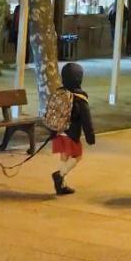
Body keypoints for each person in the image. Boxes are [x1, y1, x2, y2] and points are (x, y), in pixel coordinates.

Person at [51, 62, 95, 195]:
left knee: (64, 157)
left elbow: (53, 113)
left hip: (59, 132)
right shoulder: (80, 98)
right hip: (72, 133)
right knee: (77, 156)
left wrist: (52, 132)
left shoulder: (60, 93)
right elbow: (86, 120)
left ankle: (62, 185)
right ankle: (60, 174)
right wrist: (90, 136)